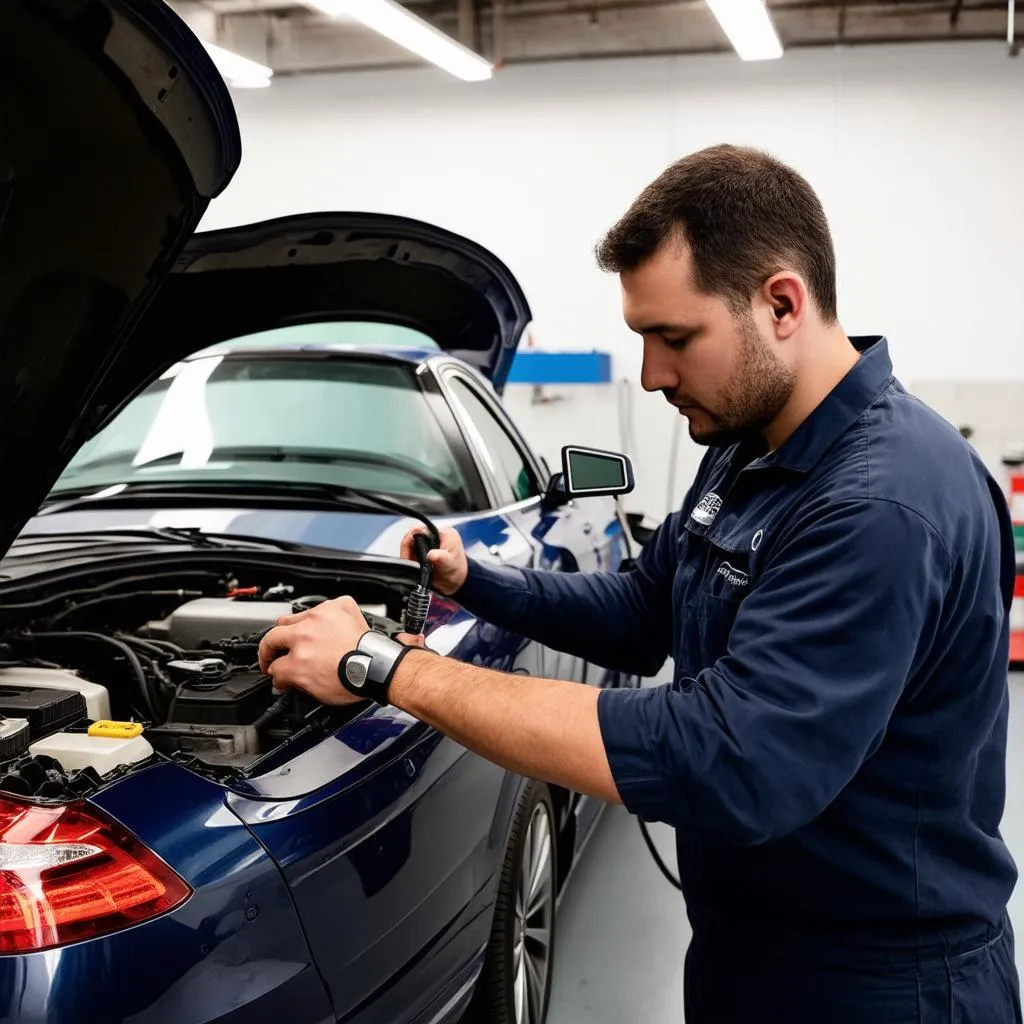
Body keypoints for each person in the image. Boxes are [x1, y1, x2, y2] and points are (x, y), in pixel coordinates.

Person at [258, 144, 1022, 1022]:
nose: (654, 375)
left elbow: (732, 759)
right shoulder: (746, 445)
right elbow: (643, 608)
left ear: (781, 303)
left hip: (880, 985)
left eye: (676, 338)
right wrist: (475, 579)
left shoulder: (885, 500)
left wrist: (389, 667)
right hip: (749, 948)